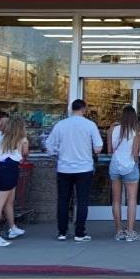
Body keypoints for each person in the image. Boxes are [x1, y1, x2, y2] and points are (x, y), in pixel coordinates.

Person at [45, 98, 104, 242]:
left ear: (71, 109)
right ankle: (79, 232)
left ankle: (62, 232)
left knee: (63, 200)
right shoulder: (90, 125)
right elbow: (98, 147)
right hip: (84, 168)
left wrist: (58, 152)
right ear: (84, 109)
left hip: (64, 168)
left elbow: (49, 145)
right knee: (82, 200)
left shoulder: (60, 125)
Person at [0, 116, 29, 247]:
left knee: (8, 202)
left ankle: (12, 228)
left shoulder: (3, 138)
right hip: (10, 169)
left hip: (0, 168)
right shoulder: (22, 139)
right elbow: (25, 153)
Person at [109, 105, 140, 241]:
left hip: (115, 166)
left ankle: (119, 231)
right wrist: (136, 161)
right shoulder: (136, 132)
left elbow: (110, 150)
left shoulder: (113, 130)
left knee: (116, 200)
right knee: (131, 200)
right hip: (130, 167)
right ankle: (130, 232)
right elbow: (135, 154)